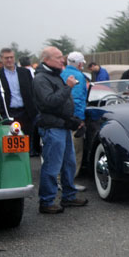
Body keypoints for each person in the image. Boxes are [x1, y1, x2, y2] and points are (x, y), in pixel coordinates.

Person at [32, 46, 88, 214]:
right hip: (52, 127)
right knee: (52, 165)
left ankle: (69, 196)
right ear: (46, 60)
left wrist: (73, 121)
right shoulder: (41, 79)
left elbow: (60, 105)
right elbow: (49, 102)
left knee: (69, 163)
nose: (62, 60)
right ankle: (47, 201)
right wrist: (68, 87)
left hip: (62, 126)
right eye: (58, 57)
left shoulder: (54, 76)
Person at [0, 47, 39, 156]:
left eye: (11, 57)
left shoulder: (24, 72)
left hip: (26, 113)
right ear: (1, 59)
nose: (9, 60)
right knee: (10, 146)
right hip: (8, 114)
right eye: (6, 58)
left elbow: (32, 91)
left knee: (27, 145)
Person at [62, 51, 89, 186]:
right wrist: (79, 118)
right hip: (74, 116)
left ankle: (60, 178)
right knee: (75, 149)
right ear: (79, 64)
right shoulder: (78, 76)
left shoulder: (61, 73)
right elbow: (77, 98)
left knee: (62, 148)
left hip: (61, 116)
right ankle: (69, 180)